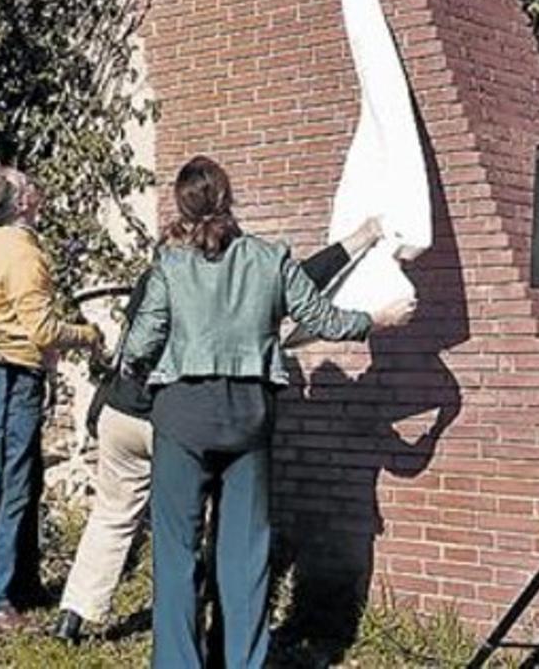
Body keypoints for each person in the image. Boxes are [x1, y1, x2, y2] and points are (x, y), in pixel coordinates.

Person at [122, 156, 415, 669]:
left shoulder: (169, 264)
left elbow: (140, 343)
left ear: (181, 204)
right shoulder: (269, 258)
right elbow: (324, 318)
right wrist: (379, 318)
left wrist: (135, 371)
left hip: (183, 416)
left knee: (176, 553)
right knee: (245, 559)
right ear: (228, 198)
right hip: (249, 417)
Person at [52, 216, 386, 646]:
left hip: (118, 413)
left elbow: (131, 351)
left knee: (113, 515)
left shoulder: (153, 280)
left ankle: (74, 615)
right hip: (165, 419)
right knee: (212, 520)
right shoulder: (197, 284)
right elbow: (298, 281)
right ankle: (216, 615)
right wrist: (353, 245)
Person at [0, 166, 102, 632]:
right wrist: (91, 334)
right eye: (32, 183)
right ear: (23, 202)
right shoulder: (24, 254)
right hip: (11, 377)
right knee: (8, 487)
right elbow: (42, 329)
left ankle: (22, 584)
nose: (40, 188)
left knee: (22, 482)